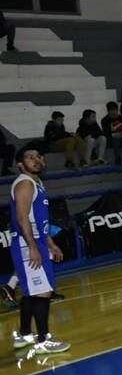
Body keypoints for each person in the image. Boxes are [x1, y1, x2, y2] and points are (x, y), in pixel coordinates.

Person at [9, 144, 70, 353]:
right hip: (28, 245)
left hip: (36, 242)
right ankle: (43, 340)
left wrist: (50, 244)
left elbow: (38, 219)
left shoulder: (37, 182)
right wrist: (33, 247)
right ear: (20, 164)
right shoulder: (25, 184)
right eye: (30, 157)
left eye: (38, 156)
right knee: (43, 292)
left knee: (31, 293)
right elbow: (21, 217)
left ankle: (24, 335)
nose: (36, 160)